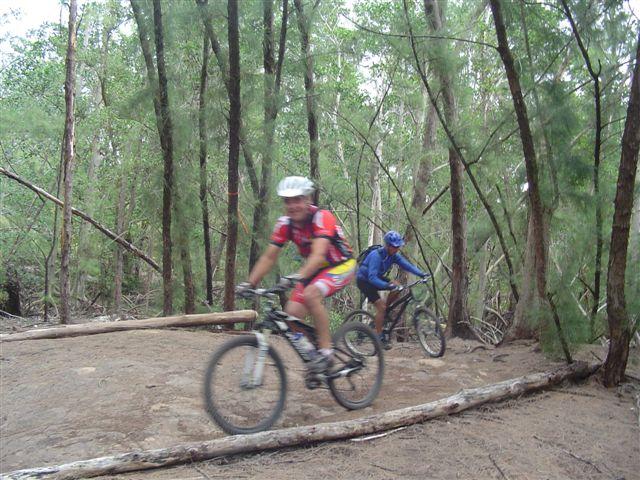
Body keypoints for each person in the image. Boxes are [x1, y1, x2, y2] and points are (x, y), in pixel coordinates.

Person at [237, 176, 355, 373]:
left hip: (341, 265)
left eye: (297, 199)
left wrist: (295, 277)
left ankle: (326, 353)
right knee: (291, 314)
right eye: (287, 200)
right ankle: (313, 353)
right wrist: (250, 283)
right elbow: (268, 257)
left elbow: (318, 256)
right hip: (314, 271)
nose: (292, 205)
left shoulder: (322, 217)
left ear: (308, 199)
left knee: (311, 294)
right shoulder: (285, 224)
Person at [356, 230, 429, 349]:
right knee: (381, 305)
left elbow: (408, 265)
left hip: (376, 278)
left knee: (397, 285)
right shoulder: (376, 256)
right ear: (388, 246)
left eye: (398, 246)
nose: (397, 249)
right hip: (364, 281)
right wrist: (387, 286)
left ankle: (385, 311)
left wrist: (422, 274)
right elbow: (372, 277)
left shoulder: (393, 256)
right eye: (394, 247)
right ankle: (379, 337)